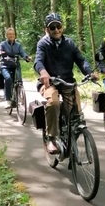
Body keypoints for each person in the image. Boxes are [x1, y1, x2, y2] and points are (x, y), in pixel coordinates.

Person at [34, 13, 98, 154]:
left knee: (75, 111)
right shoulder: (43, 44)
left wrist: (89, 72)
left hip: (67, 82)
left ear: (62, 27)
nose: (56, 30)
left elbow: (81, 60)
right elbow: (38, 61)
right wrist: (43, 72)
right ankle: (51, 138)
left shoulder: (69, 43)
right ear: (47, 30)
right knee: (53, 103)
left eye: (59, 26)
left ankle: (69, 131)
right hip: (50, 83)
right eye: (53, 27)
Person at [0, 28, 31, 109]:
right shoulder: (3, 44)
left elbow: (23, 53)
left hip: (15, 65)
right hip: (5, 66)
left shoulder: (18, 45)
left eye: (13, 34)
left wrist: (26, 57)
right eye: (9, 34)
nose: (11, 35)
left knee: (19, 81)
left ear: (14, 35)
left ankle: (18, 96)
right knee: (8, 79)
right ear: (6, 35)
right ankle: (7, 100)